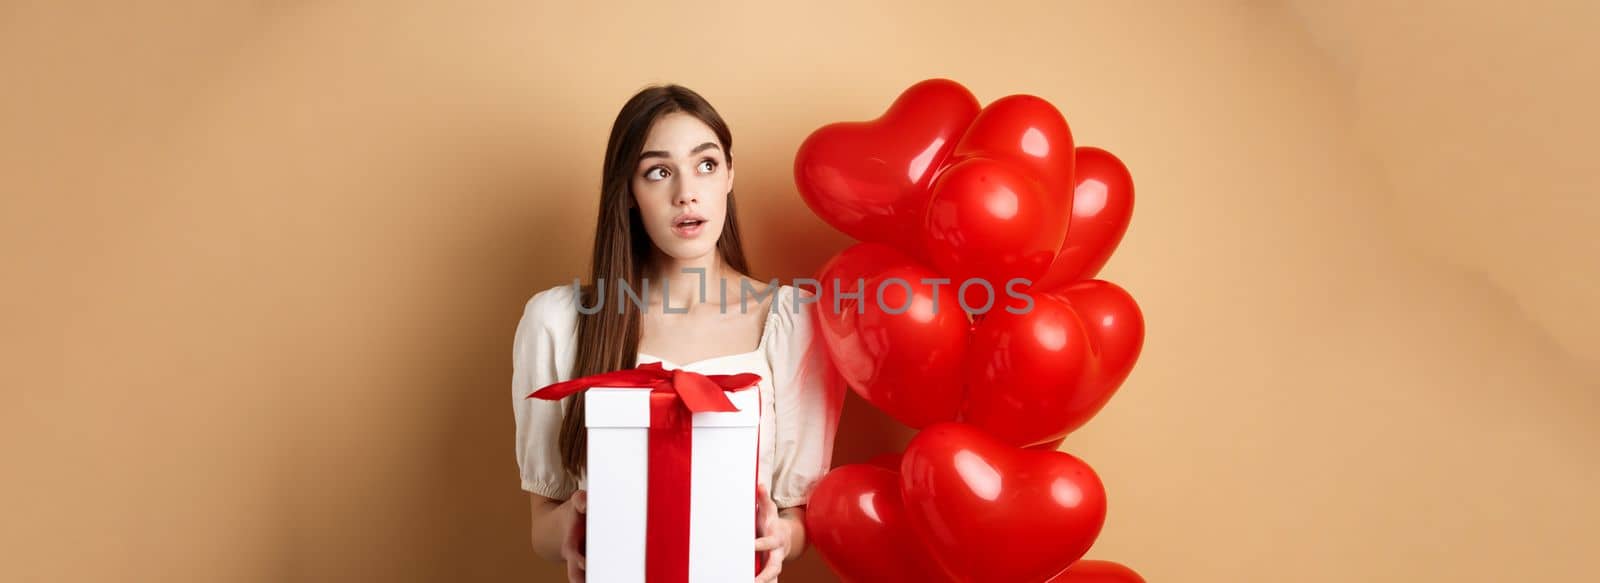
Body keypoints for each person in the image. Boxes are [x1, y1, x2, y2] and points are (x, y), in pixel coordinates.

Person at [511, 84, 844, 582]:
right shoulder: (558, 322)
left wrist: (782, 537)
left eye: (706, 164)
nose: (686, 192)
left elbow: (796, 518)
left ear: (729, 174)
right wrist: (573, 524)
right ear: (628, 191)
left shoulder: (793, 321)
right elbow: (542, 528)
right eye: (659, 171)